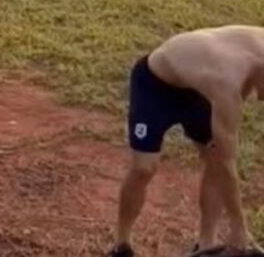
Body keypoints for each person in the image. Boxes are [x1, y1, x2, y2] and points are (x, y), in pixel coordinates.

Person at [108, 27, 264, 257]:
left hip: (197, 91)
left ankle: (206, 242)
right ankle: (121, 244)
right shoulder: (225, 80)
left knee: (213, 156)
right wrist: (239, 229)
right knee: (144, 168)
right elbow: (227, 160)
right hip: (155, 85)